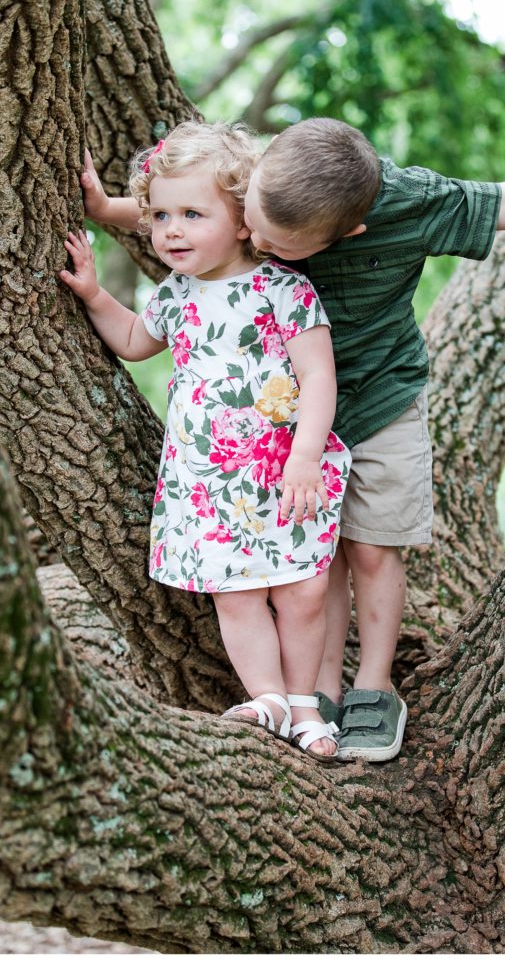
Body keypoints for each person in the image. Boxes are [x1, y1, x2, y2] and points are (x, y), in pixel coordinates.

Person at [80, 117, 505, 763]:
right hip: (273, 443)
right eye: (253, 223)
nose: (256, 241)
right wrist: (110, 213)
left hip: (377, 396)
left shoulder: (392, 209)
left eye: (275, 241)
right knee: (316, 561)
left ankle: (373, 684)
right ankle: (311, 693)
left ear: (345, 233)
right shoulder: (257, 203)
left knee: (371, 548)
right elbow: (198, 217)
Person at [59, 121, 352, 762]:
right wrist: (92, 294)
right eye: (160, 215)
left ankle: (306, 703)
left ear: (244, 221)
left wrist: (306, 454)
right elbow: (137, 341)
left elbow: (318, 373)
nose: (171, 230)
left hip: (284, 471)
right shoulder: (177, 294)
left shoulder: (283, 289)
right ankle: (269, 697)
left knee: (302, 589)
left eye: (192, 213)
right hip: (211, 479)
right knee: (237, 593)